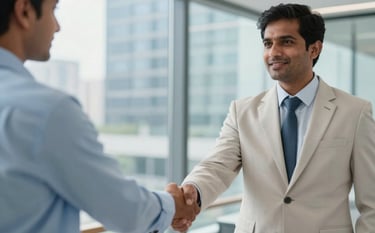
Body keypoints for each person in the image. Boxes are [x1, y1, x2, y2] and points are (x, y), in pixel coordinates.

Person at [171, 3, 375, 233]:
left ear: (314, 49)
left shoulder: (355, 112)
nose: (274, 52)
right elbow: (217, 165)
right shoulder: (242, 111)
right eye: (268, 43)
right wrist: (193, 190)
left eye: (286, 42)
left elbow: (372, 202)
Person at [0, 0, 199, 232]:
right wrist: (175, 204)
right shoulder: (47, 111)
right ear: (24, 11)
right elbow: (127, 212)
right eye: (53, 10)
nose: (57, 26)